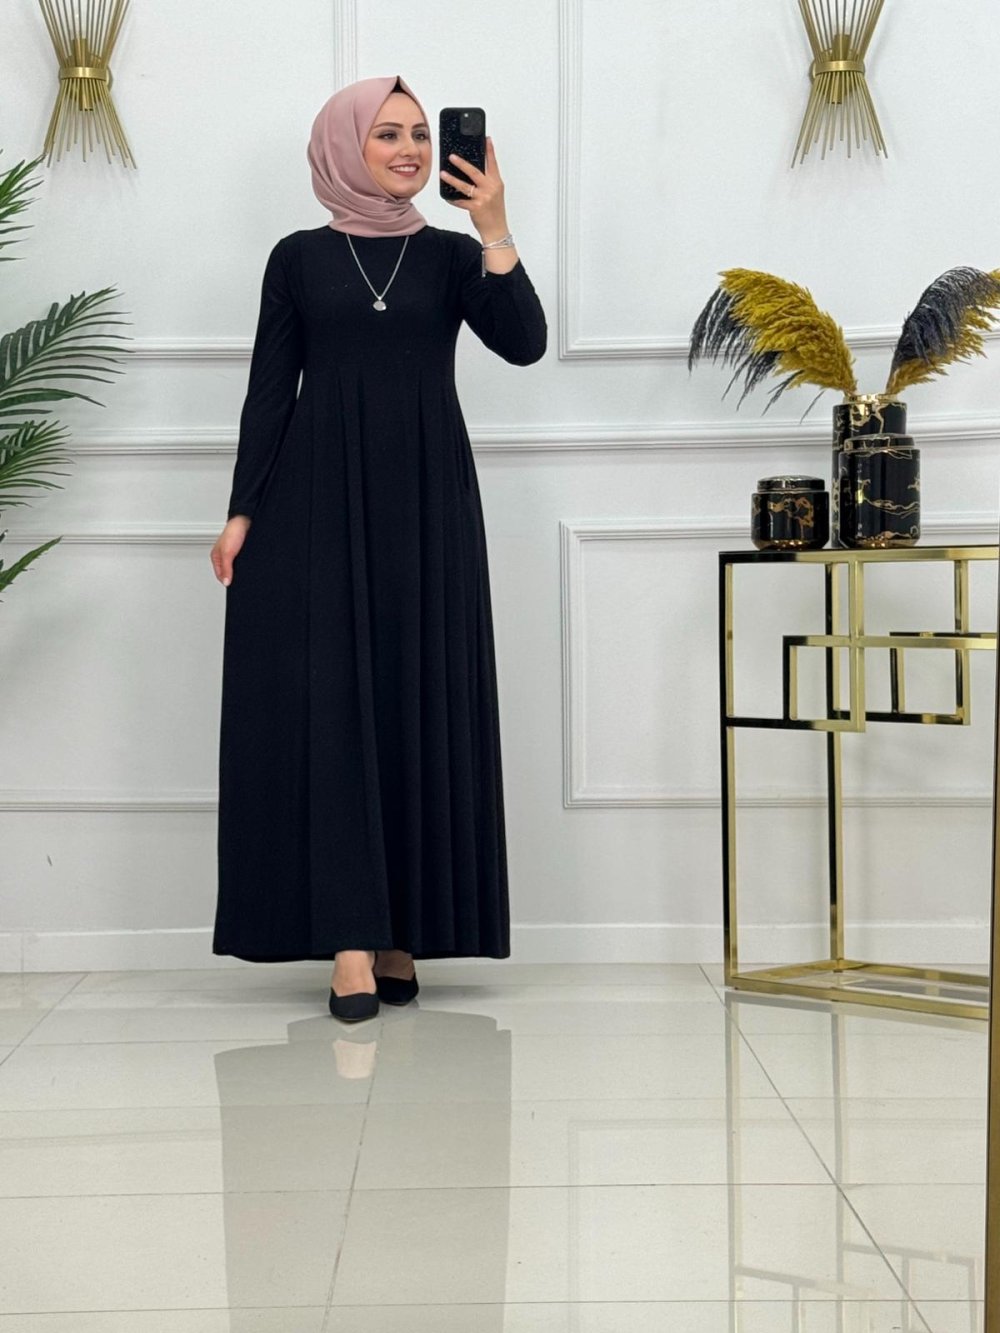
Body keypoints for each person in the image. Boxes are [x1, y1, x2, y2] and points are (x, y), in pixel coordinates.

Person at [209, 76, 546, 1022]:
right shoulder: (298, 258)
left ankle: (404, 931)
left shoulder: (451, 255)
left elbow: (524, 343)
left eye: (420, 135)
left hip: (430, 504)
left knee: (414, 700)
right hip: (316, 502)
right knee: (336, 712)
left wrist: (495, 225)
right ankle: (351, 944)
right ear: (343, 146)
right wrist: (241, 513)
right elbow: (270, 389)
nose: (409, 150)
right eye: (388, 134)